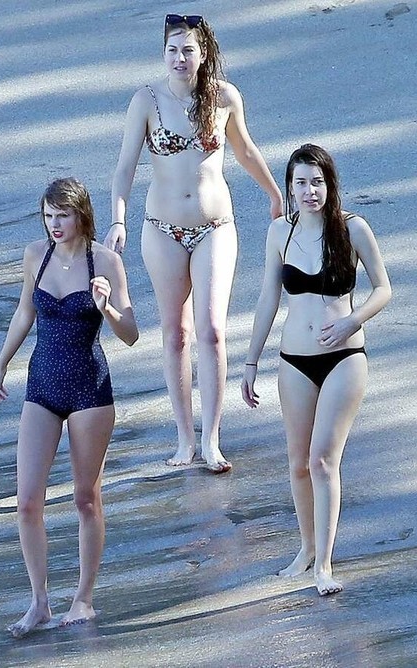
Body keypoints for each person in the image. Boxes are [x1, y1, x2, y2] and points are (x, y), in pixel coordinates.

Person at [106, 13, 283, 473]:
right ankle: (184, 438)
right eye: (172, 50)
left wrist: (274, 194)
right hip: (161, 228)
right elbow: (125, 167)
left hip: (215, 226)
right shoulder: (145, 101)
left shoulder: (224, 97)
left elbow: (245, 149)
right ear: (163, 54)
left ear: (203, 53)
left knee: (212, 331)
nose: (180, 58)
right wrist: (118, 220)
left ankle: (211, 439)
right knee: (176, 333)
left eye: (188, 50)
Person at [0, 178, 139, 637]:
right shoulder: (36, 255)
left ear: (81, 215)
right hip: (42, 386)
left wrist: (107, 308)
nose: (54, 224)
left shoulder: (106, 261)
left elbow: (131, 333)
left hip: (89, 388)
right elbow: (24, 312)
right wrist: (0, 365)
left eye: (63, 215)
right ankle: (39, 602)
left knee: (85, 498)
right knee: (27, 501)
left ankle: (83, 599)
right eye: (48, 216)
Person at [241, 144, 392, 595]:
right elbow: (268, 299)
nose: (310, 191)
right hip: (294, 361)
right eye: (301, 183)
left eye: (318, 182)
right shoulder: (279, 233)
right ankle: (306, 549)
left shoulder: (353, 228)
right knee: (298, 464)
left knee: (323, 460)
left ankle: (324, 565)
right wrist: (250, 362)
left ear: (330, 185)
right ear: (289, 187)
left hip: (345, 358)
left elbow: (383, 289)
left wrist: (352, 319)